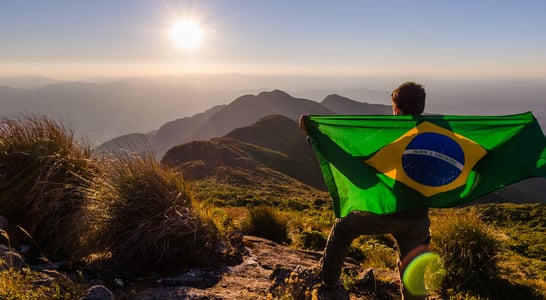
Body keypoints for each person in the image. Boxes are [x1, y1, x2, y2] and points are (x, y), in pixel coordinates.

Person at [299, 82, 431, 300]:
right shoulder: (436, 138)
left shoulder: (386, 136)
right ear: (421, 108)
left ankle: (327, 283)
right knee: (413, 270)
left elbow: (349, 158)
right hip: (415, 218)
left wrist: (313, 134)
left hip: (378, 212)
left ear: (396, 109)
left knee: (343, 228)